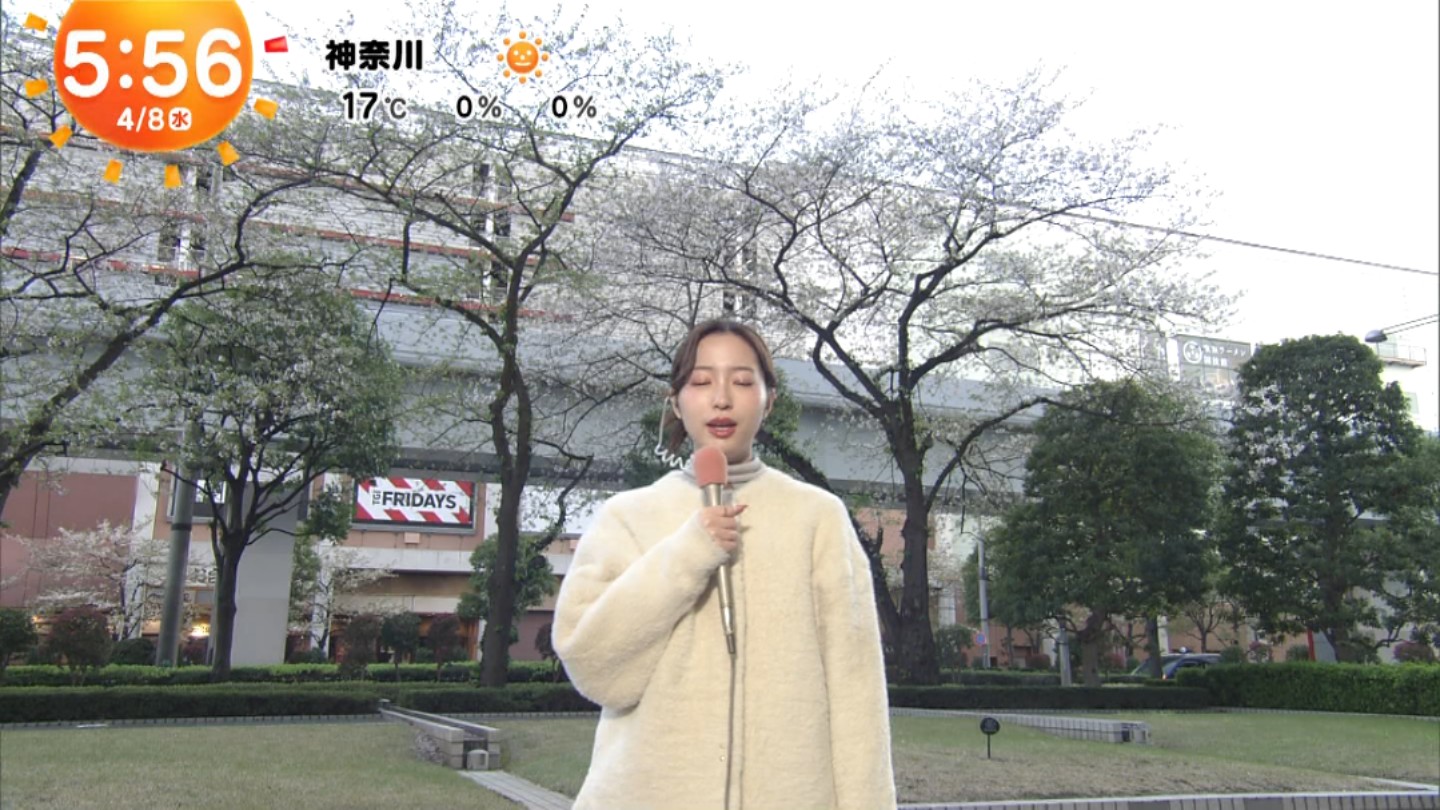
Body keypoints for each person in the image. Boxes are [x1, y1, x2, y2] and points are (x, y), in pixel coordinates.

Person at [553, 319, 897, 810]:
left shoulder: (817, 517)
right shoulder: (626, 517)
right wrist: (687, 554)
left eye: (741, 381)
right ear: (676, 401)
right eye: (700, 381)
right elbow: (595, 670)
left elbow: (856, 690)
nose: (721, 399)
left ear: (768, 399)